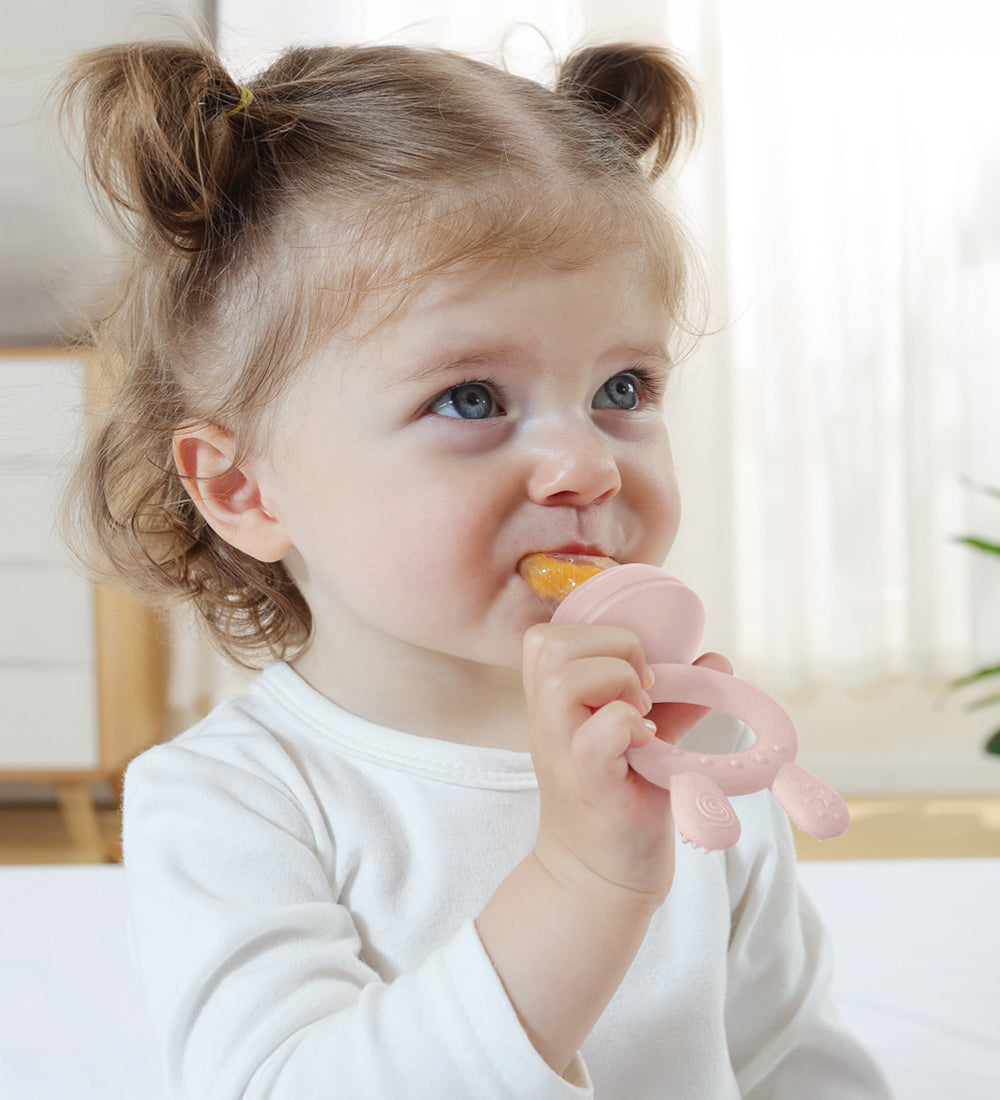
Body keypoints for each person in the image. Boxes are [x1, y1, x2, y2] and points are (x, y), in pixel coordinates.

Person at [60, 34, 891, 1099]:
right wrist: (583, 876)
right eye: (470, 399)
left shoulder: (693, 740)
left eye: (623, 388)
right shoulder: (233, 797)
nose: (587, 461)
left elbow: (781, 1054)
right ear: (245, 491)